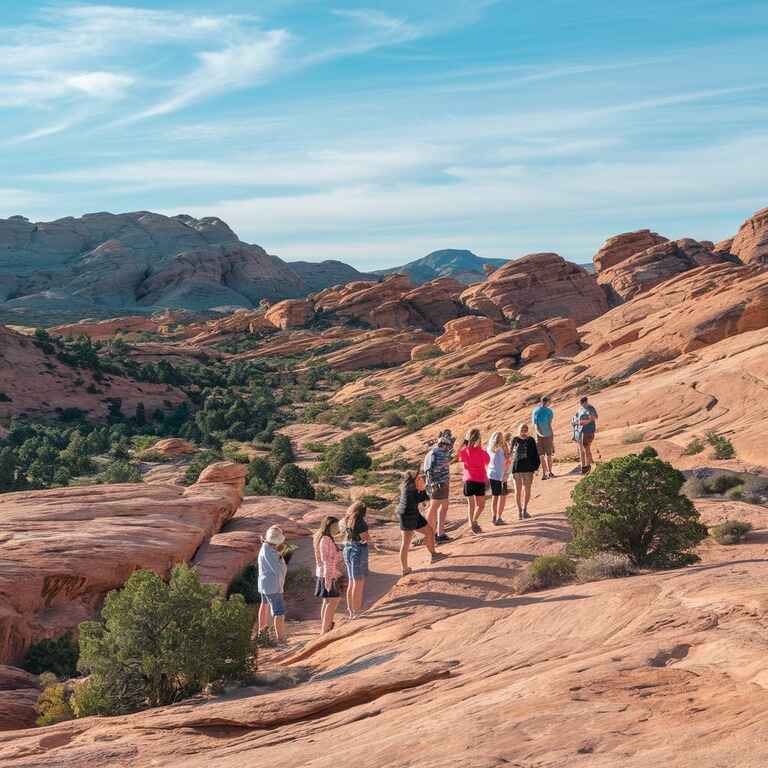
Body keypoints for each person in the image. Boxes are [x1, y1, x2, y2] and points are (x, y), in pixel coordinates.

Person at [397, 470, 446, 576]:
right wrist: (424, 488)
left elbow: (424, 497)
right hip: (406, 515)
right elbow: (424, 497)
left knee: (429, 531)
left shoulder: (409, 487)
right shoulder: (410, 489)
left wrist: (424, 488)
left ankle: (434, 554)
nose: (421, 479)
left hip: (413, 513)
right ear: (413, 480)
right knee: (406, 542)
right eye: (418, 478)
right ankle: (405, 569)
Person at [257, 525, 288, 643]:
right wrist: (282, 557)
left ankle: (262, 634)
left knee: (264, 606)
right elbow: (278, 569)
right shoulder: (271, 552)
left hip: (263, 583)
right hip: (273, 585)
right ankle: (281, 639)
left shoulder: (264, 546)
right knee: (279, 611)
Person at [313, 516, 342, 634]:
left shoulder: (324, 537)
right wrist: (329, 579)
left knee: (327, 601)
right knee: (333, 601)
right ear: (329, 526)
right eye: (336, 526)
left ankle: (326, 626)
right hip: (328, 574)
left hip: (325, 573)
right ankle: (325, 629)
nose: (338, 528)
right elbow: (326, 560)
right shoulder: (325, 539)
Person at [458, 428, 490, 534]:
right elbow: (487, 461)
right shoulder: (481, 452)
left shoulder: (463, 451)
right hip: (478, 480)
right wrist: (479, 447)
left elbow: (461, 459)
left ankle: (472, 523)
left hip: (470, 480)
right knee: (480, 505)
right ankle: (473, 522)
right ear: (478, 439)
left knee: (471, 504)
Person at [422, 433, 452, 542]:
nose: (449, 448)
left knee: (442, 507)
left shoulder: (430, 453)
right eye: (448, 445)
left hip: (435, 485)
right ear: (443, 445)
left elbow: (427, 470)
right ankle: (432, 534)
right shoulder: (440, 453)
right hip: (440, 484)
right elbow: (436, 469)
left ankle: (439, 533)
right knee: (434, 508)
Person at [342, 501, 369, 619]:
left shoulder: (347, 520)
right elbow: (365, 538)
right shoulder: (361, 522)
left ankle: (351, 610)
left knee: (352, 581)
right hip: (357, 551)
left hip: (347, 548)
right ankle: (357, 611)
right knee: (358, 582)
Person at [509, 423, 540, 520]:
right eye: (523, 429)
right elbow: (511, 454)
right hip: (520, 468)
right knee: (520, 490)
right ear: (519, 429)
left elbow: (535, 454)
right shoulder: (517, 440)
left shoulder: (529, 440)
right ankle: (520, 511)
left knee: (525, 490)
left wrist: (536, 467)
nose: (524, 430)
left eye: (525, 429)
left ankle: (523, 510)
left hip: (524, 468)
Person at [486, 431, 509, 525]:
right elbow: (504, 462)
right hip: (500, 476)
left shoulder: (489, 448)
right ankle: (497, 518)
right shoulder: (500, 449)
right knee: (501, 497)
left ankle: (495, 517)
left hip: (493, 475)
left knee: (496, 497)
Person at [532, 395, 555, 480]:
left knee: (545, 455)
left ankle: (547, 473)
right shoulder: (547, 411)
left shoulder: (537, 410)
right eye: (550, 401)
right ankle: (548, 473)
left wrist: (540, 433)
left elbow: (536, 424)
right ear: (546, 402)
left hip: (542, 435)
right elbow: (547, 424)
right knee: (545, 455)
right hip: (545, 435)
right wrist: (548, 435)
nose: (550, 403)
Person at [576, 395, 599, 474]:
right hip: (582, 431)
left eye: (583, 403)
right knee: (585, 448)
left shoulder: (590, 408)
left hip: (589, 430)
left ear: (586, 401)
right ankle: (587, 466)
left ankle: (587, 467)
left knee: (586, 448)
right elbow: (578, 419)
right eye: (581, 403)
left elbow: (595, 417)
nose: (582, 404)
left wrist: (587, 421)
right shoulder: (581, 409)